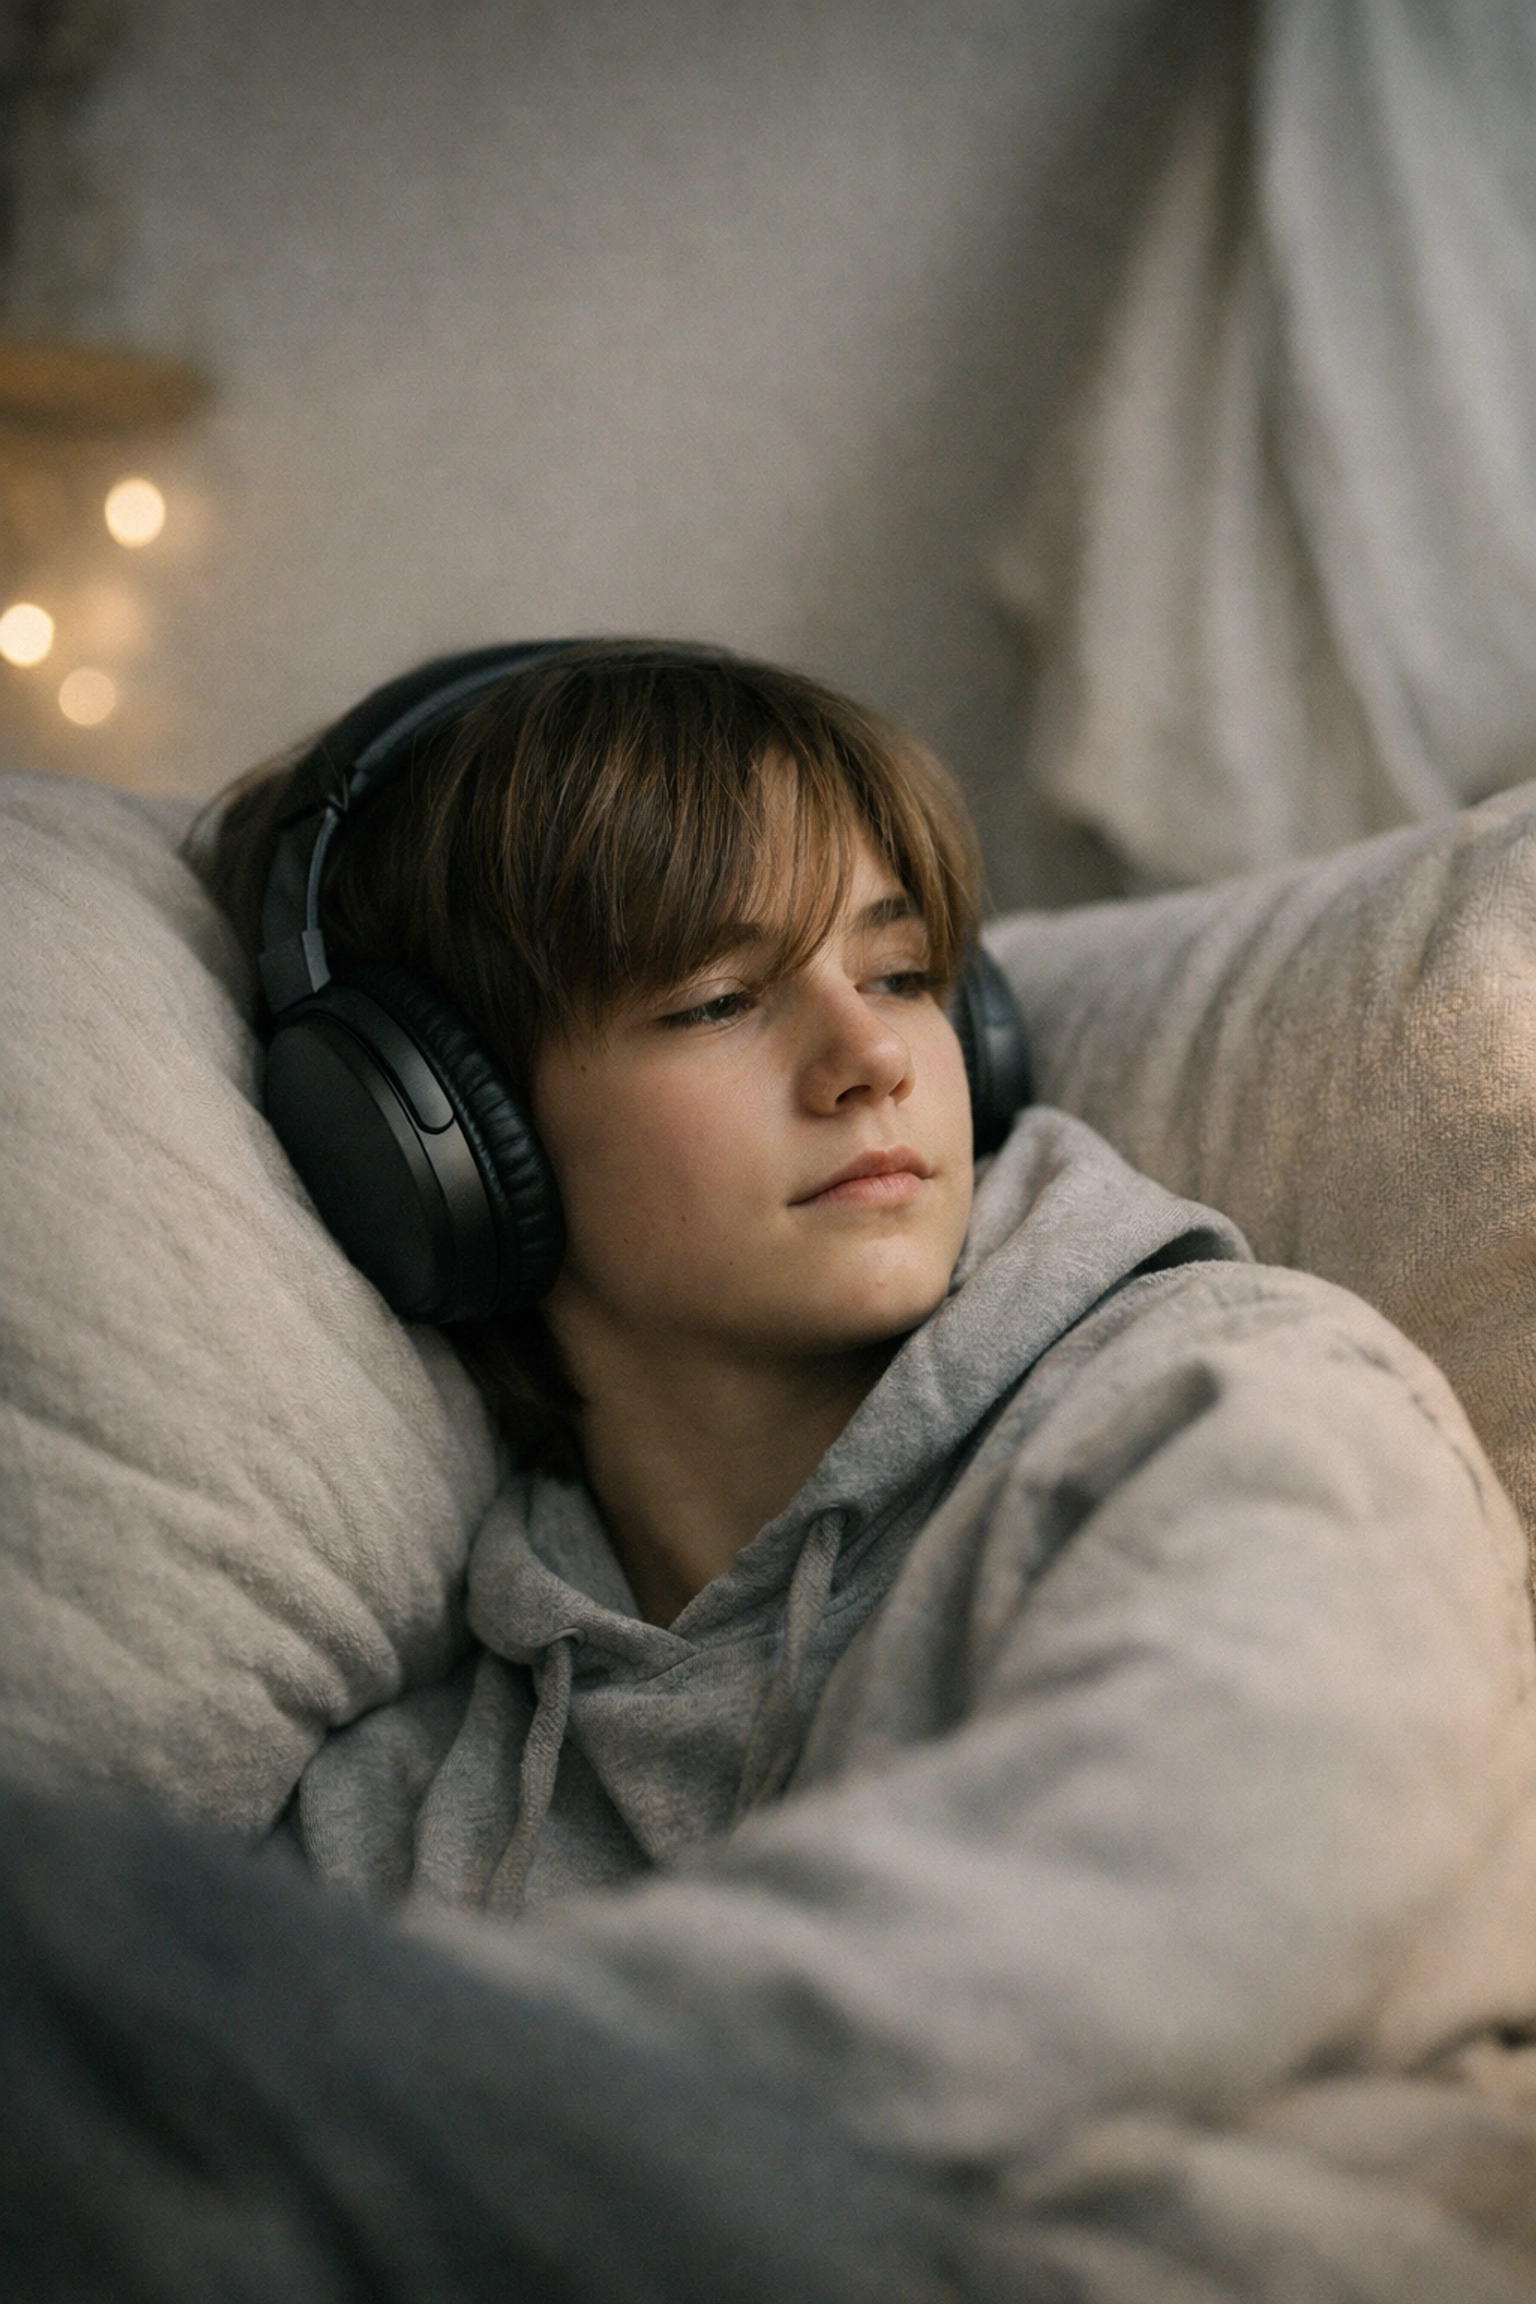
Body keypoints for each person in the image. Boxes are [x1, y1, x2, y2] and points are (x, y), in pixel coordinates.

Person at [8, 637, 1536, 2301]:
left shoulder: (1237, 1395)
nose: (869, 1057)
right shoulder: (413, 1805)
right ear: (438, 1143)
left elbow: (1222, 1877)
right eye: (719, 1000)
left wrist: (427, 2098)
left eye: (897, 975)